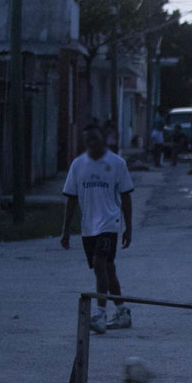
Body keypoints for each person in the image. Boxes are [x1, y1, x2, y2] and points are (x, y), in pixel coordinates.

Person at [61, 125, 135, 333]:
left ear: (102, 139)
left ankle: (100, 315)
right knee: (107, 269)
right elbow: (71, 198)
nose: (92, 144)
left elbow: (126, 196)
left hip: (110, 223)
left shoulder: (117, 163)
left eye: (95, 139)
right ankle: (122, 311)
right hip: (88, 227)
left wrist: (129, 228)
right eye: (88, 140)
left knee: (99, 263)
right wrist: (65, 230)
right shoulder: (78, 165)